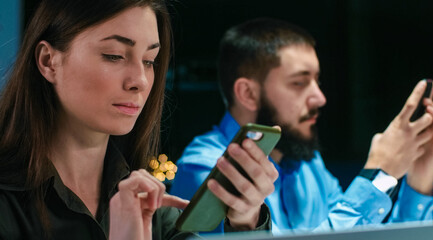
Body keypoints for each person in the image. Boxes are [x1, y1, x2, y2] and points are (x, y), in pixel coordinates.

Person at [0, 2, 277, 239]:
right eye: (114, 56)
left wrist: (246, 221)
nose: (140, 82)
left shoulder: (153, 205)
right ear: (49, 61)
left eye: (149, 60)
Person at [170, 18, 433, 234]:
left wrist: (419, 180)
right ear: (248, 94)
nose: (320, 97)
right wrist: (380, 175)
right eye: (299, 83)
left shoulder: (307, 164)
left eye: (317, 80)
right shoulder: (206, 167)